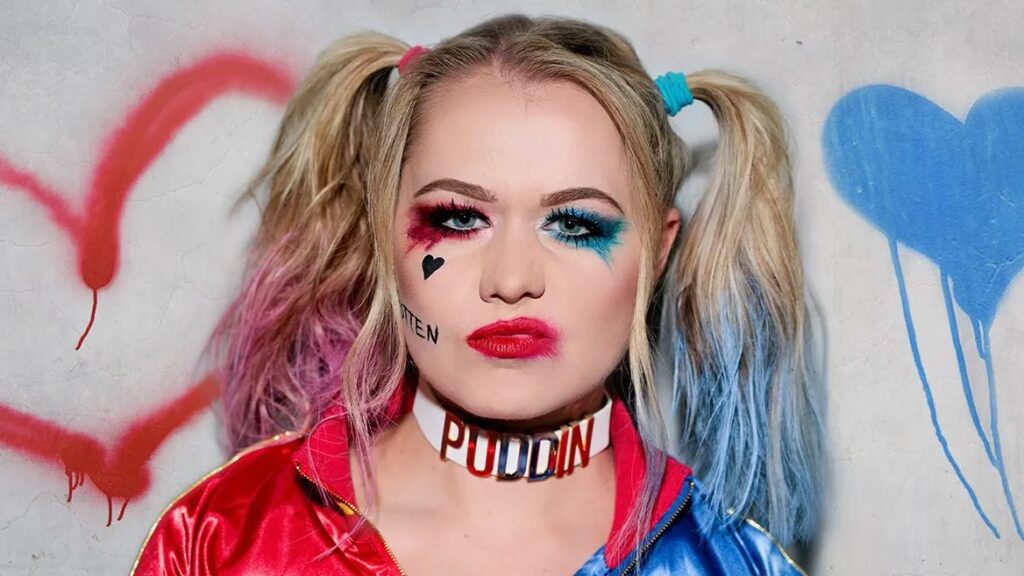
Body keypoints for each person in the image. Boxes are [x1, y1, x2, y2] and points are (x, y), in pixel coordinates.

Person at [132, 13, 825, 575]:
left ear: (659, 251)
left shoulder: (730, 565)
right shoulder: (223, 539)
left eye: (575, 224)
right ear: (382, 236)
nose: (511, 279)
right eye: (458, 220)